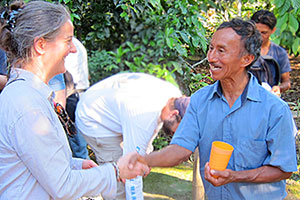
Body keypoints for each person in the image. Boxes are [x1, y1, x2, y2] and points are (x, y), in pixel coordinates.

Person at [0, 1, 149, 200]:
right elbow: (63, 185)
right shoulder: (27, 106)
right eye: (67, 41)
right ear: (41, 45)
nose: (73, 50)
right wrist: (116, 171)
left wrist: (74, 164)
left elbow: (34, 163)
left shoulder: (27, 96)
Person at [143, 18, 297, 199]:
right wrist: (142, 160)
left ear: (246, 59)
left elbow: (283, 169)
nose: (211, 57)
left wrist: (234, 176)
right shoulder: (200, 100)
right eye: (211, 48)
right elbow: (180, 149)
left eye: (221, 51)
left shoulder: (275, 110)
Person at [75, 72, 190, 200]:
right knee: (119, 179)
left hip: (112, 105)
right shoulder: (143, 116)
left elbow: (153, 125)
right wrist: (139, 162)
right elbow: (132, 171)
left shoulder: (174, 98)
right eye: (179, 131)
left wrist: (146, 155)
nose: (177, 134)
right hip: (94, 118)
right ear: (173, 114)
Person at [251, 10, 291, 96]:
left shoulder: (279, 53)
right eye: (256, 32)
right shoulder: (243, 50)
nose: (259, 36)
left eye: (264, 33)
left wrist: (278, 88)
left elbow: (286, 82)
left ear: (273, 30)